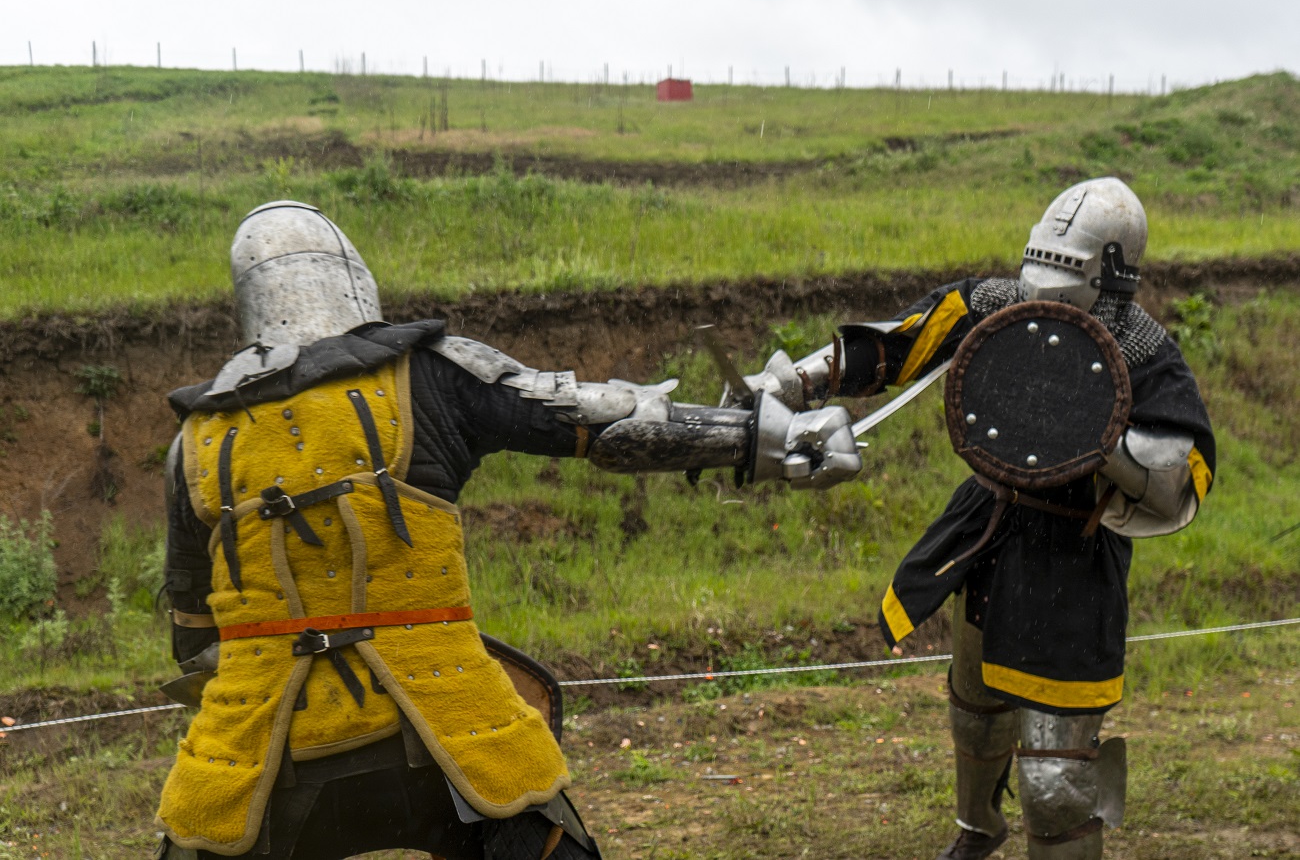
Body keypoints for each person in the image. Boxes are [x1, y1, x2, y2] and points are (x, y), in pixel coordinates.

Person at [155, 201, 862, 859]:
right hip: (446, 726)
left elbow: (194, 636)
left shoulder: (194, 442)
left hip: (258, 752)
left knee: (204, 824)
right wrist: (765, 436)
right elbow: (602, 420)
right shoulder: (426, 374)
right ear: (351, 280)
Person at [729, 177, 1215, 860]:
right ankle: (978, 830)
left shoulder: (1143, 351)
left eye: (1068, 274)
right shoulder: (992, 302)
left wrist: (1100, 439)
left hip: (1073, 561)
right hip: (992, 528)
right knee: (976, 707)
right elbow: (894, 343)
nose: (1045, 291)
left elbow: (1180, 477)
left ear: (1111, 274)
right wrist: (793, 382)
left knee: (1055, 780)